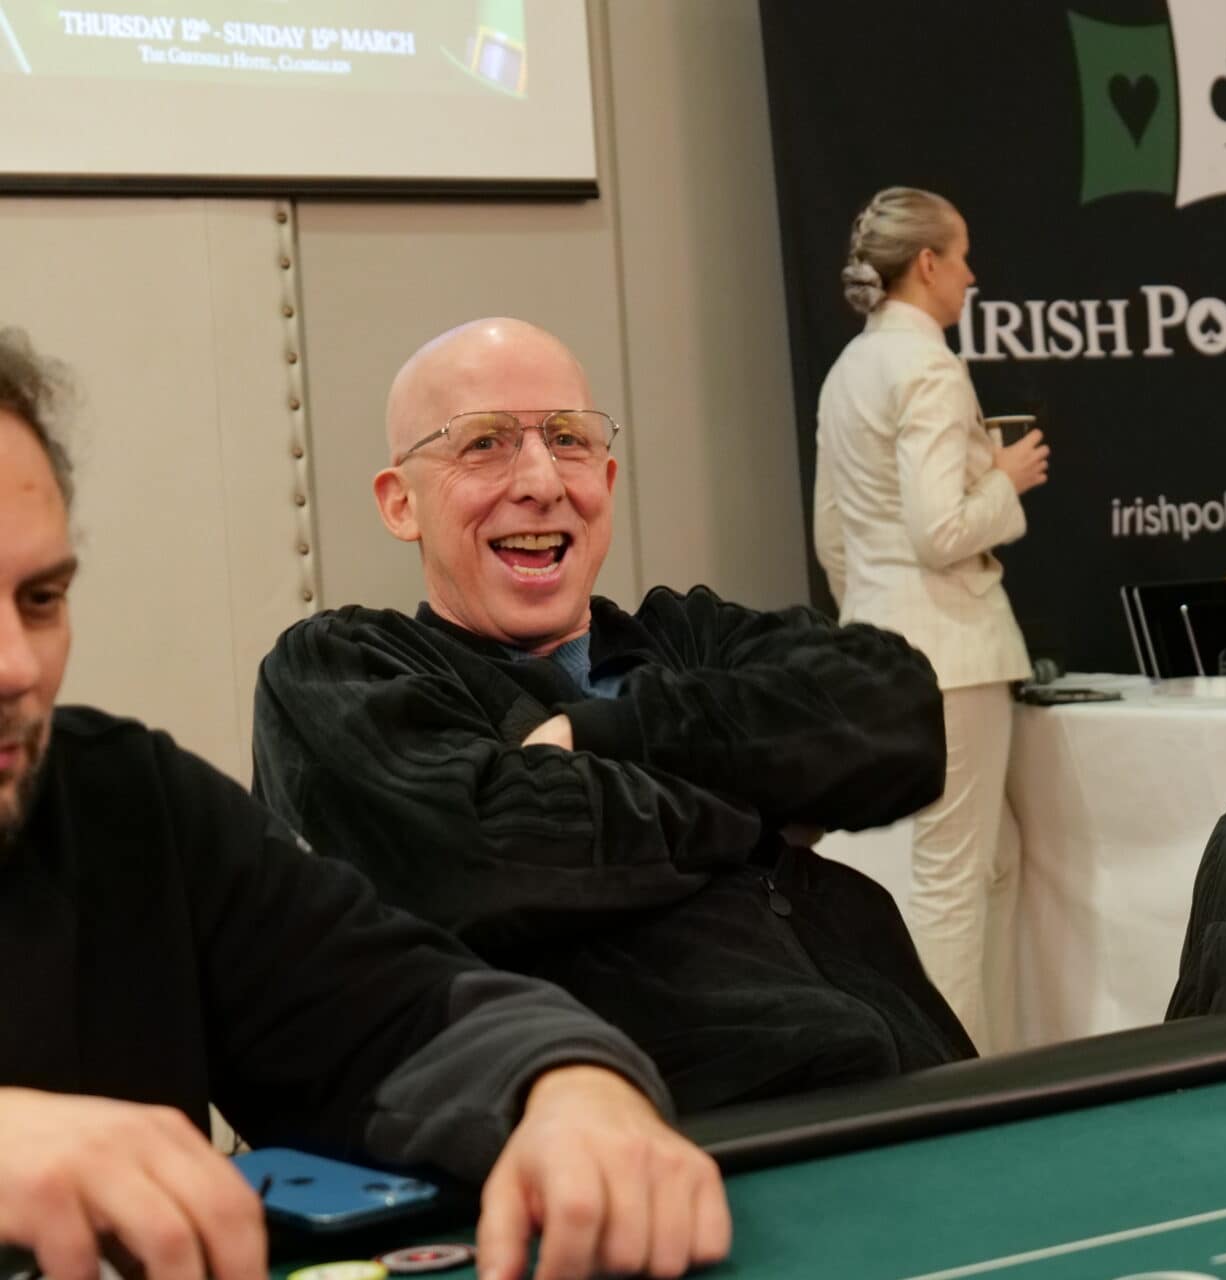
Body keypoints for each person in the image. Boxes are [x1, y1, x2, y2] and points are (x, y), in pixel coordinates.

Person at [0, 329, 729, 1280]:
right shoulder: (338, 672)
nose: (16, 667)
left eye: (41, 600)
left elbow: (401, 1012)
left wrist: (570, 1087)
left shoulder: (124, 803)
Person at [251, 317, 973, 1116]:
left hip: (930, 1095)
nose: (540, 481)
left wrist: (611, 737)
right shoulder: (343, 671)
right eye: (484, 443)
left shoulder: (691, 638)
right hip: (689, 1139)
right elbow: (489, 860)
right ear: (400, 504)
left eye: (568, 439)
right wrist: (764, 787)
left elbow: (900, 715)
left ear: (607, 478)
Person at [812, 186, 1050, 1051]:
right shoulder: (929, 367)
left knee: (994, 861)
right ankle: (957, 1077)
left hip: (883, 641)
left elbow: (831, 531)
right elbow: (940, 530)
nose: (971, 276)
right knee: (954, 882)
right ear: (927, 263)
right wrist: (1006, 479)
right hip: (953, 649)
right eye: (962, 256)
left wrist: (873, 618)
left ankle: (995, 1051)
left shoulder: (849, 368)